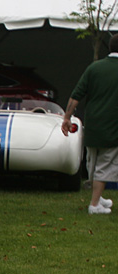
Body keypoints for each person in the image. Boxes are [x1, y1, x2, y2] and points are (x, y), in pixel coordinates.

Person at [63, 33, 118, 215]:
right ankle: (94, 205)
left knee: (93, 163)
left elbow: (76, 95)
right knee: (106, 165)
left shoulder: (94, 68)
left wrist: (67, 118)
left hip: (93, 124)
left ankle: (98, 197)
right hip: (113, 126)